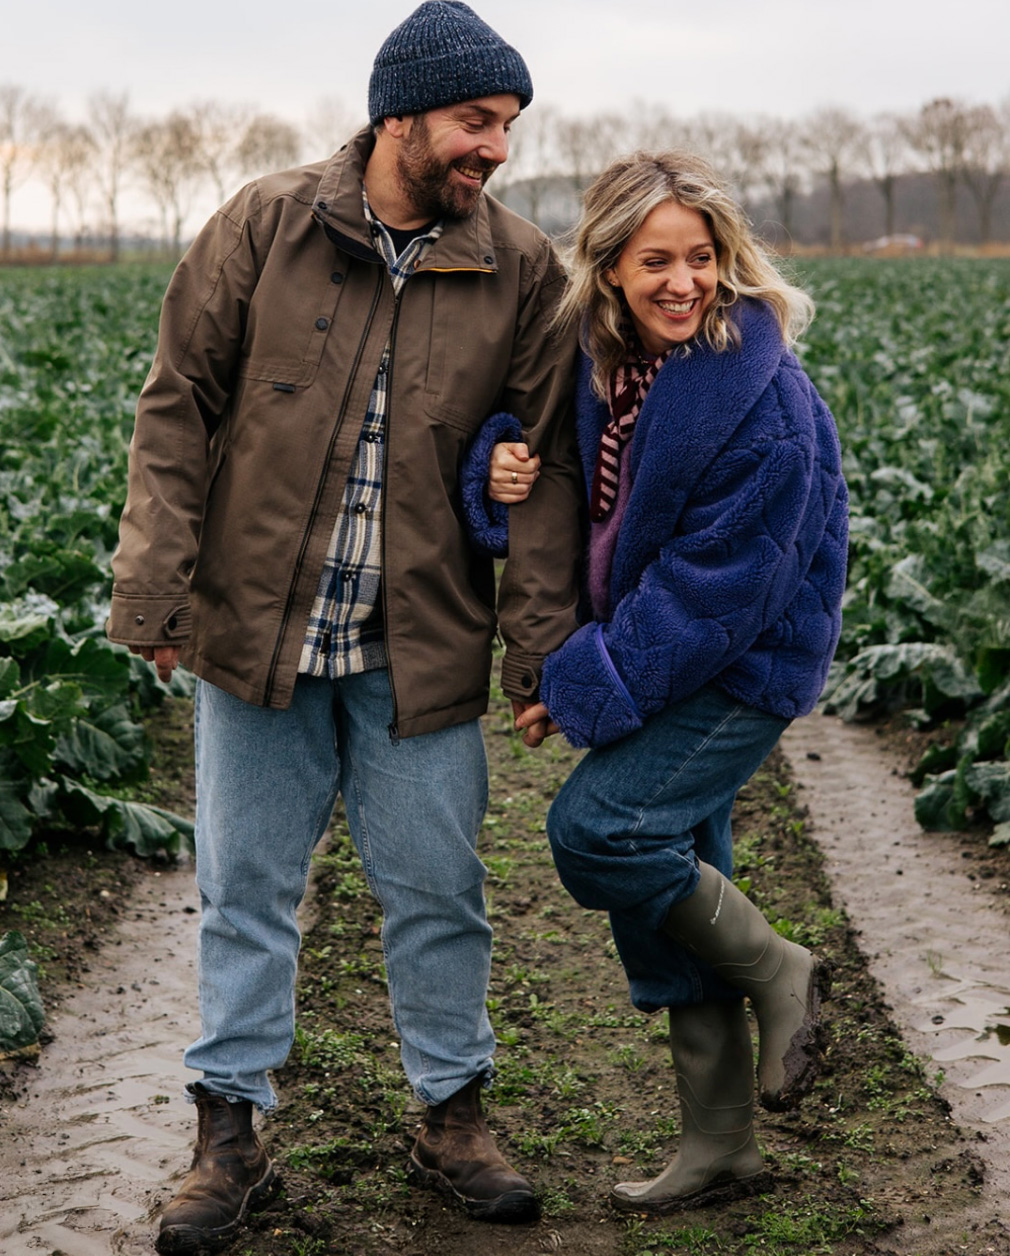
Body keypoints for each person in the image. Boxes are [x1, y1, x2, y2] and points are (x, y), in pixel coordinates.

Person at [106, 3, 584, 1248]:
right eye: (476, 122)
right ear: (401, 113)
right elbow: (176, 412)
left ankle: (453, 1115)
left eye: (507, 129)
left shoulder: (521, 267)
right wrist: (153, 590)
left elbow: (545, 473)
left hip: (415, 642)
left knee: (436, 886)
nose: (495, 149)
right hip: (254, 635)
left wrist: (535, 652)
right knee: (245, 886)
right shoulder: (266, 225)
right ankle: (228, 1133)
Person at [465, 149, 849, 1214]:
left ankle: (778, 968)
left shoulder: (756, 398)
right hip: (665, 646)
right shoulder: (605, 364)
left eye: (700, 256)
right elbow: (533, 455)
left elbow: (713, 592)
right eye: (654, 261)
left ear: (725, 260)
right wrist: (496, 462)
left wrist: (585, 684)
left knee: (602, 830)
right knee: (672, 867)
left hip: (740, 661)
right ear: (609, 270)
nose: (682, 281)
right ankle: (722, 1143)